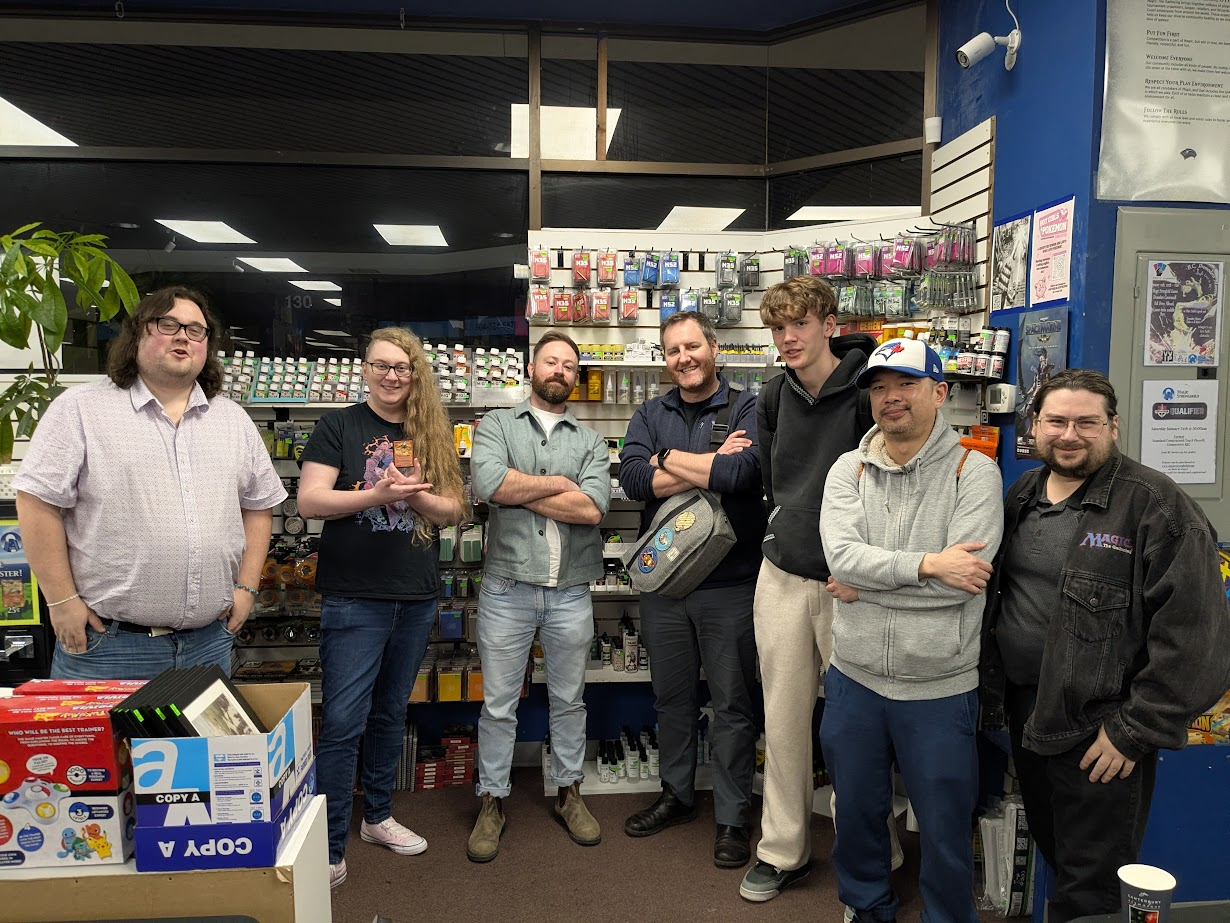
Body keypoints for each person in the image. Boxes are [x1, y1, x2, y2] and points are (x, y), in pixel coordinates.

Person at [979, 369, 1230, 923]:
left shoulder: (1157, 507)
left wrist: (1134, 731)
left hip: (1101, 731)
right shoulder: (1023, 493)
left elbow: (1199, 642)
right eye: (1056, 421)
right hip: (1029, 713)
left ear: (1113, 427)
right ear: (1035, 426)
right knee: (1056, 853)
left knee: (1092, 888)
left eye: (1086, 423)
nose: (1069, 435)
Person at [819, 337, 1003, 923]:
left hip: (939, 683)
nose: (890, 397)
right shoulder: (847, 469)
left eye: (906, 384)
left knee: (945, 825)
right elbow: (842, 559)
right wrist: (928, 564)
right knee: (857, 815)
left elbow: (964, 582)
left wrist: (865, 585)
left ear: (940, 393)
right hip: (854, 678)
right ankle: (866, 907)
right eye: (879, 387)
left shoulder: (975, 472)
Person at [15, 285, 286, 679]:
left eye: (196, 329)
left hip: (209, 642)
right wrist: (60, 601)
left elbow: (259, 505)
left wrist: (246, 589)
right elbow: (37, 503)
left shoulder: (232, 419)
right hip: (109, 645)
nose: (183, 337)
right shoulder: (81, 409)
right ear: (137, 334)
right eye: (168, 324)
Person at [297, 327, 466, 889]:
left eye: (403, 367)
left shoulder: (430, 431)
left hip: (415, 597)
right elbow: (309, 500)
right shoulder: (338, 426)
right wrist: (377, 495)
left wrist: (416, 495)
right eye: (382, 365)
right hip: (354, 598)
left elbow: (453, 510)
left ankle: (376, 818)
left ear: (416, 374)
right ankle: (328, 846)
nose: (392, 376)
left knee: (391, 713)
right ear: (365, 369)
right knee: (343, 722)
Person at [737, 276, 884, 903]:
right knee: (783, 719)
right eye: (778, 328)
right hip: (781, 575)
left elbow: (886, 484)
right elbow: (774, 482)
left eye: (799, 323)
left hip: (850, 582)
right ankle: (783, 851)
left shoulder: (870, 390)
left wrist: (859, 564)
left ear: (829, 324)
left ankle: (872, 851)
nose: (788, 338)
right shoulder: (773, 395)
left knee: (857, 727)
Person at [619, 311, 766, 870]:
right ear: (666, 359)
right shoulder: (649, 413)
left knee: (732, 704)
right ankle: (677, 796)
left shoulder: (747, 406)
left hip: (731, 585)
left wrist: (665, 460)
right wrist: (704, 463)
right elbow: (634, 481)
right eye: (673, 350)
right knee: (672, 699)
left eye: (692, 346)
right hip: (663, 585)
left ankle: (732, 815)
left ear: (713, 347)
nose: (684, 358)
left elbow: (741, 475)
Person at [467, 331, 610, 862]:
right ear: (532, 368)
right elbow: (489, 485)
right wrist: (560, 484)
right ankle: (492, 801)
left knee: (569, 700)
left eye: (569, 365)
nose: (559, 371)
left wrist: (521, 488)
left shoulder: (591, 440)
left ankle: (569, 793)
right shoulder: (497, 425)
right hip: (507, 588)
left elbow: (592, 509)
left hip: (570, 590)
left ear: (575, 377)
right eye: (551, 361)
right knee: (498, 705)